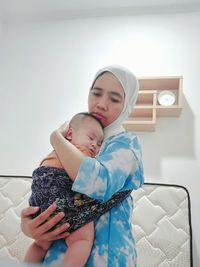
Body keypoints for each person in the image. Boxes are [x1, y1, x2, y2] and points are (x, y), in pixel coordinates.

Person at [21, 65, 144, 267]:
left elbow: (96, 183)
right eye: (96, 93)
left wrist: (55, 138)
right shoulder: (79, 138)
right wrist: (29, 227)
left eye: (114, 99)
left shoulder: (126, 145)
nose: (101, 104)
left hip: (107, 258)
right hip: (57, 257)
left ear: (127, 105)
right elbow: (50, 187)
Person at [25, 112, 104, 266]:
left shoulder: (54, 151)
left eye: (100, 143)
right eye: (90, 138)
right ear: (69, 134)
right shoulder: (80, 154)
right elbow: (89, 177)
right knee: (82, 239)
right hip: (58, 193)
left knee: (40, 244)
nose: (95, 144)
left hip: (39, 202)